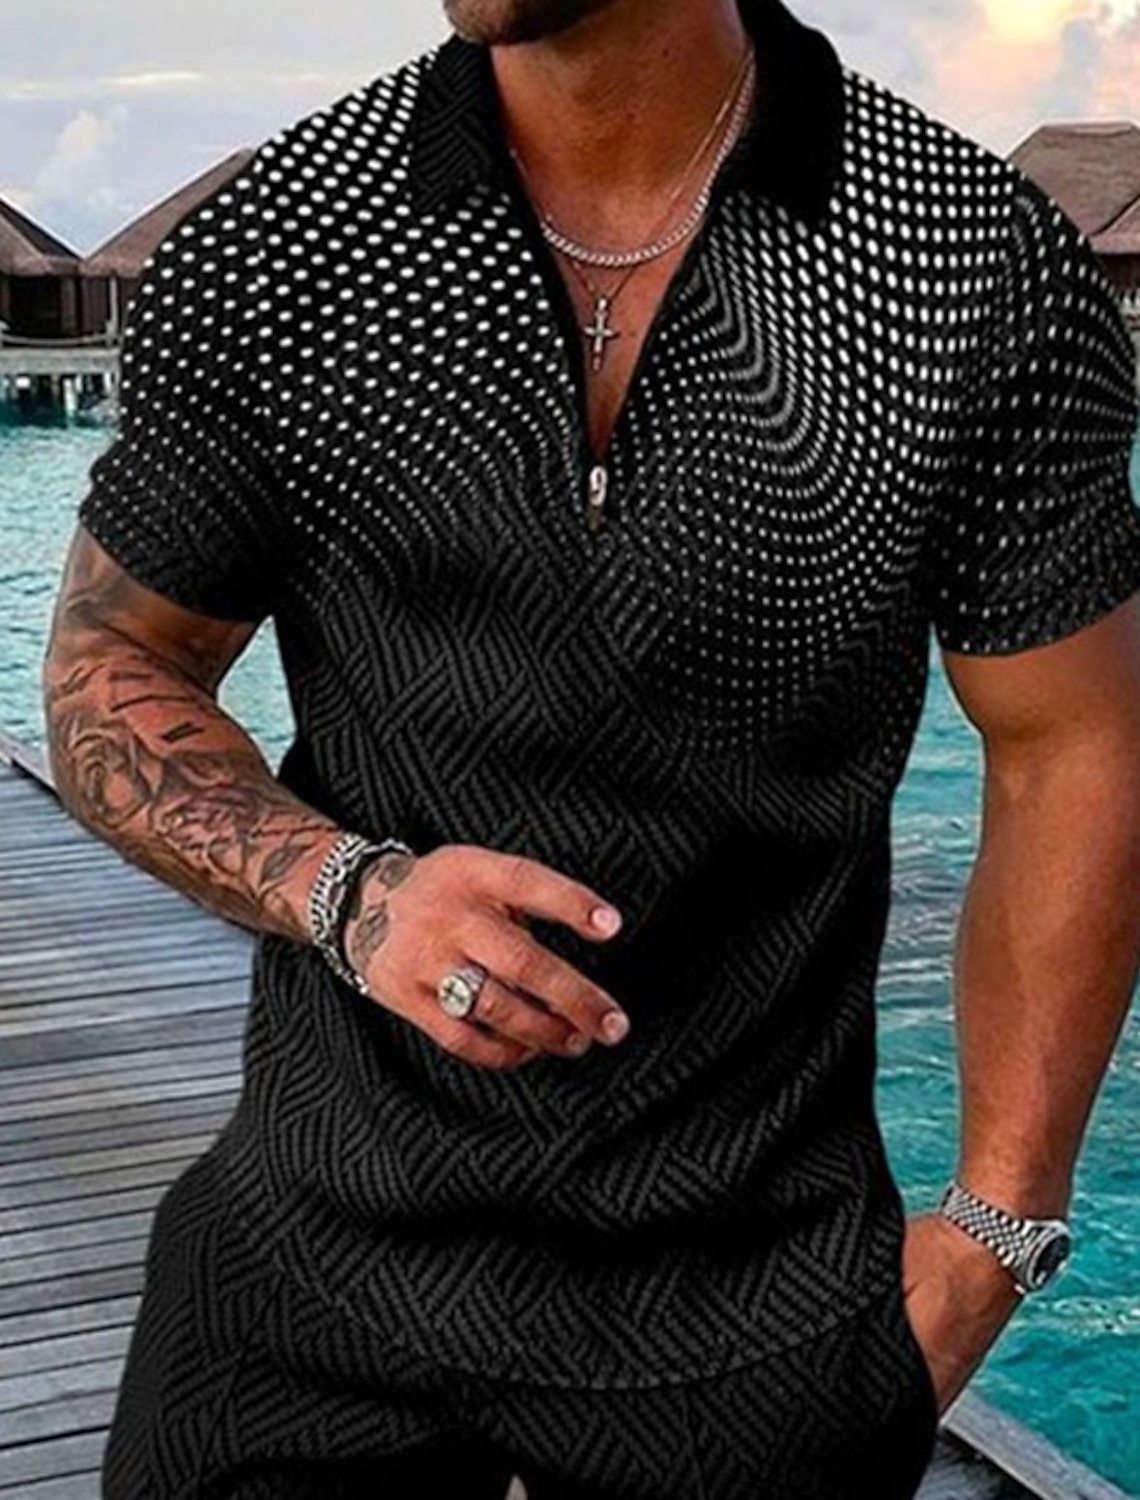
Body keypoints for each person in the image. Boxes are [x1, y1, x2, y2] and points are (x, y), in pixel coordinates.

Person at [42, 0, 1140, 1496]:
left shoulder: (963, 259)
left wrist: (998, 1227)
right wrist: (348, 892)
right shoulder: (282, 239)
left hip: (756, 1304)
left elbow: (1072, 744)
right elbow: (114, 658)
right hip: (311, 1266)